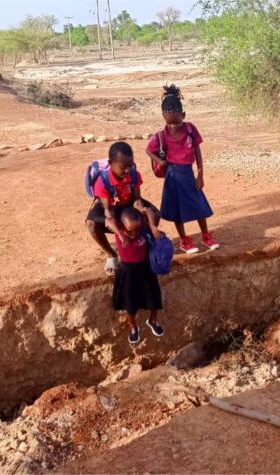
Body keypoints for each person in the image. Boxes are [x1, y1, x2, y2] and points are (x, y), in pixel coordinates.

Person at [146, 84, 220, 254]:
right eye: (169, 123)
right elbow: (148, 150)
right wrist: (161, 162)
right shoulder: (161, 135)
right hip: (172, 176)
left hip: (188, 174)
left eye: (176, 122)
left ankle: (205, 235)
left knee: (199, 205)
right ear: (164, 118)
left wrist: (200, 174)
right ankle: (184, 240)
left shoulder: (190, 129)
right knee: (177, 209)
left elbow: (197, 150)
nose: (173, 126)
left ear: (183, 115)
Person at [86, 142, 158, 275]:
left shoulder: (134, 175)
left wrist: (143, 212)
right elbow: (108, 210)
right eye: (122, 167)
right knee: (91, 224)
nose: (127, 170)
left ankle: (141, 244)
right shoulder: (102, 181)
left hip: (128, 204)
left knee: (154, 214)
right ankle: (111, 254)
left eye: (130, 166)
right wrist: (117, 229)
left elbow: (137, 199)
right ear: (111, 163)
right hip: (110, 207)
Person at [112, 205, 164, 344]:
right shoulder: (120, 233)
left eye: (137, 229)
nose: (134, 234)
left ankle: (153, 320)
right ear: (122, 226)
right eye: (130, 231)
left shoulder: (143, 230)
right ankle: (133, 326)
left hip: (145, 269)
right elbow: (107, 221)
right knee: (130, 303)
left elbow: (148, 211)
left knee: (154, 298)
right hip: (127, 272)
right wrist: (119, 233)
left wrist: (152, 226)